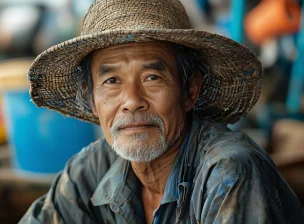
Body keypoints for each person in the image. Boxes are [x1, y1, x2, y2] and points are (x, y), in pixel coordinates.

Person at [20, 0, 304, 223]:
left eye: (152, 78)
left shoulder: (228, 170)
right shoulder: (92, 168)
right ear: (93, 102)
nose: (132, 100)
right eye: (111, 81)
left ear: (189, 91)